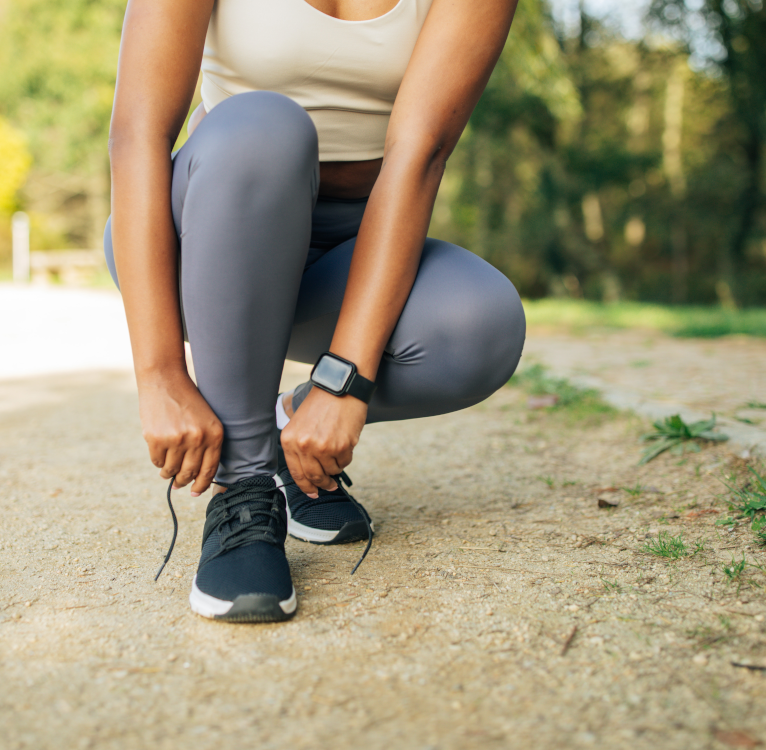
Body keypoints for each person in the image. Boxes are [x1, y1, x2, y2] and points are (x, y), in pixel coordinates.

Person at [105, 0, 526, 622]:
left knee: (479, 327)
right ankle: (244, 485)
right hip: (210, 236)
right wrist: (159, 371)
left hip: (356, 246)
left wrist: (342, 381)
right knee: (264, 124)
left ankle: (285, 430)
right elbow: (137, 132)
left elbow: (420, 154)